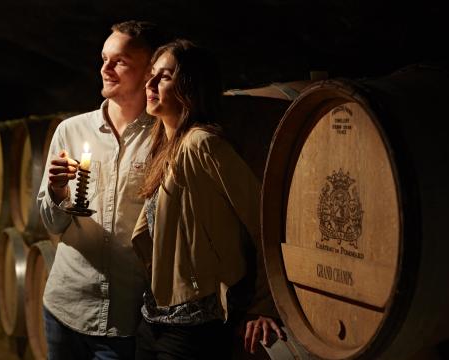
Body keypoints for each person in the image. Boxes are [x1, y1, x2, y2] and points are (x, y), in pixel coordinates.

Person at [131, 39, 284, 359]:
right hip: (152, 319)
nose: (151, 83)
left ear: (190, 87)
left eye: (166, 76)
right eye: (152, 74)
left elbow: (264, 220)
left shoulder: (202, 144)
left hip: (192, 328)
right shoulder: (163, 146)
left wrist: (264, 305)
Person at [38, 20, 166, 360]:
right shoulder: (71, 130)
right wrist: (56, 190)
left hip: (122, 319)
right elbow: (52, 225)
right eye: (103, 58)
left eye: (119, 61)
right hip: (64, 305)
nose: (105, 69)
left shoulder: (164, 137)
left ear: (149, 71)